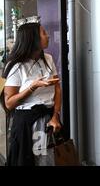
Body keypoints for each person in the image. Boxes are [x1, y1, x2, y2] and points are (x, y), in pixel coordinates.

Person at [3, 22, 61, 166]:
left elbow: (57, 89)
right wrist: (32, 87)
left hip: (48, 120)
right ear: (32, 38)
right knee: (33, 160)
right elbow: (9, 103)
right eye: (43, 33)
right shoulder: (16, 65)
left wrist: (55, 116)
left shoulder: (48, 59)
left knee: (49, 160)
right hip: (27, 123)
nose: (47, 36)